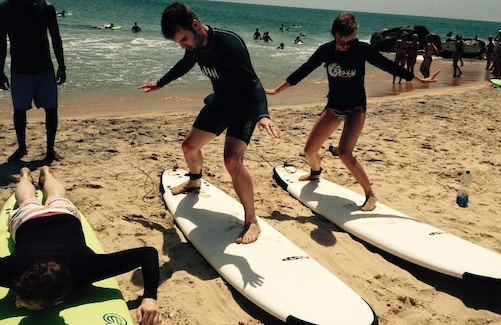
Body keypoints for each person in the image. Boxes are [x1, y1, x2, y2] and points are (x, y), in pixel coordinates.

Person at [265, 13, 438, 211]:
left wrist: (419, 80)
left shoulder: (362, 50)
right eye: (339, 40)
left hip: (356, 109)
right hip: (333, 108)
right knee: (309, 151)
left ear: (354, 35)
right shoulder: (326, 51)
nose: (342, 45)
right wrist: (277, 90)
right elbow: (304, 70)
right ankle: (316, 172)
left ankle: (370, 194)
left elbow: (389, 66)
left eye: (347, 42)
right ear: (334, 35)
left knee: (345, 154)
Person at [139, 2, 279, 244]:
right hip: (220, 103)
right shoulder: (195, 46)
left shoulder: (229, 43)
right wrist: (161, 82)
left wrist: (262, 114)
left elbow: (253, 81)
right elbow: (185, 63)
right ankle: (194, 181)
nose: (184, 45)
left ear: (195, 25)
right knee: (189, 147)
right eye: (179, 43)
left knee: (232, 161)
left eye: (184, 39)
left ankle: (252, 221)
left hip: (244, 108)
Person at [0, 167, 161, 324]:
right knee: (32, 200)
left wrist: (150, 299)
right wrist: (150, 297)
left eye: (23, 300)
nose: (18, 303)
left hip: (51, 217)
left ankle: (32, 175)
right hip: (38, 219)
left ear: (57, 301)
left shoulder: (85, 269)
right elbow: (148, 253)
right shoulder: (15, 270)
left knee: (34, 200)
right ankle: (34, 174)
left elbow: (148, 253)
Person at [0, 0, 66, 163]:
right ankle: (22, 147)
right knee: (20, 110)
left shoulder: (47, 7)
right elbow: (1, 42)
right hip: (20, 69)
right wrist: (0, 71)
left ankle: (50, 150)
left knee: (51, 109)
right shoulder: (6, 7)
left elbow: (56, 38)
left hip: (45, 69)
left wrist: (62, 66)